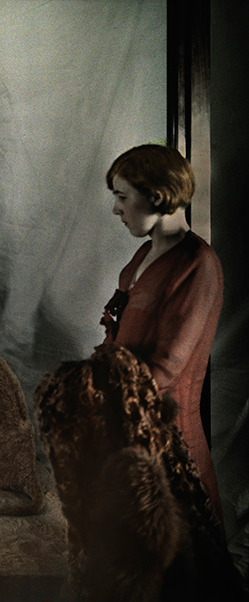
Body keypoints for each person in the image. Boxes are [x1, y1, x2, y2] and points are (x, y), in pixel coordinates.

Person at [100, 144, 224, 517]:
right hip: (129, 432)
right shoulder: (143, 254)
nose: (116, 209)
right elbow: (115, 337)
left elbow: (166, 369)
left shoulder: (197, 265)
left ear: (156, 196)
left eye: (122, 197)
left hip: (169, 444)